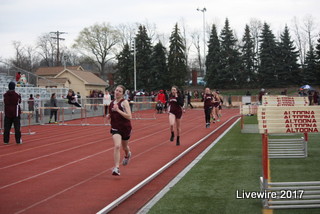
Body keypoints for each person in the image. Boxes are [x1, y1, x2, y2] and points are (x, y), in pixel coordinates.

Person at [107, 85, 132, 176]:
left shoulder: (124, 102)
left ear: (122, 94)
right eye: (116, 90)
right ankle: (116, 168)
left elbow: (129, 116)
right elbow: (111, 113)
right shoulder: (111, 103)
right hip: (115, 128)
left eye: (119, 91)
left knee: (125, 147)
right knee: (117, 146)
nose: (117, 92)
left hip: (125, 128)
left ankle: (127, 154)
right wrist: (109, 116)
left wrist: (118, 110)